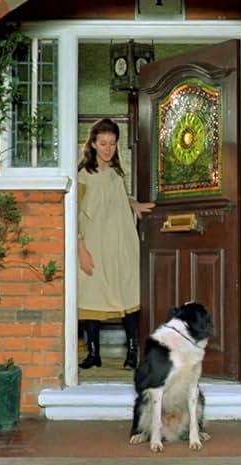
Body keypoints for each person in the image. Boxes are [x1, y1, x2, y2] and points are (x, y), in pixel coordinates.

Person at [77, 118, 154, 370]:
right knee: (92, 296)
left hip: (122, 244)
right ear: (93, 144)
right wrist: (81, 250)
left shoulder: (116, 173)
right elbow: (74, 211)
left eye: (112, 143)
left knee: (129, 293)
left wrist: (134, 204)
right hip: (95, 245)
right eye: (103, 143)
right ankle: (93, 353)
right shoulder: (82, 176)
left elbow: (116, 197)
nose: (108, 148)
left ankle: (132, 352)